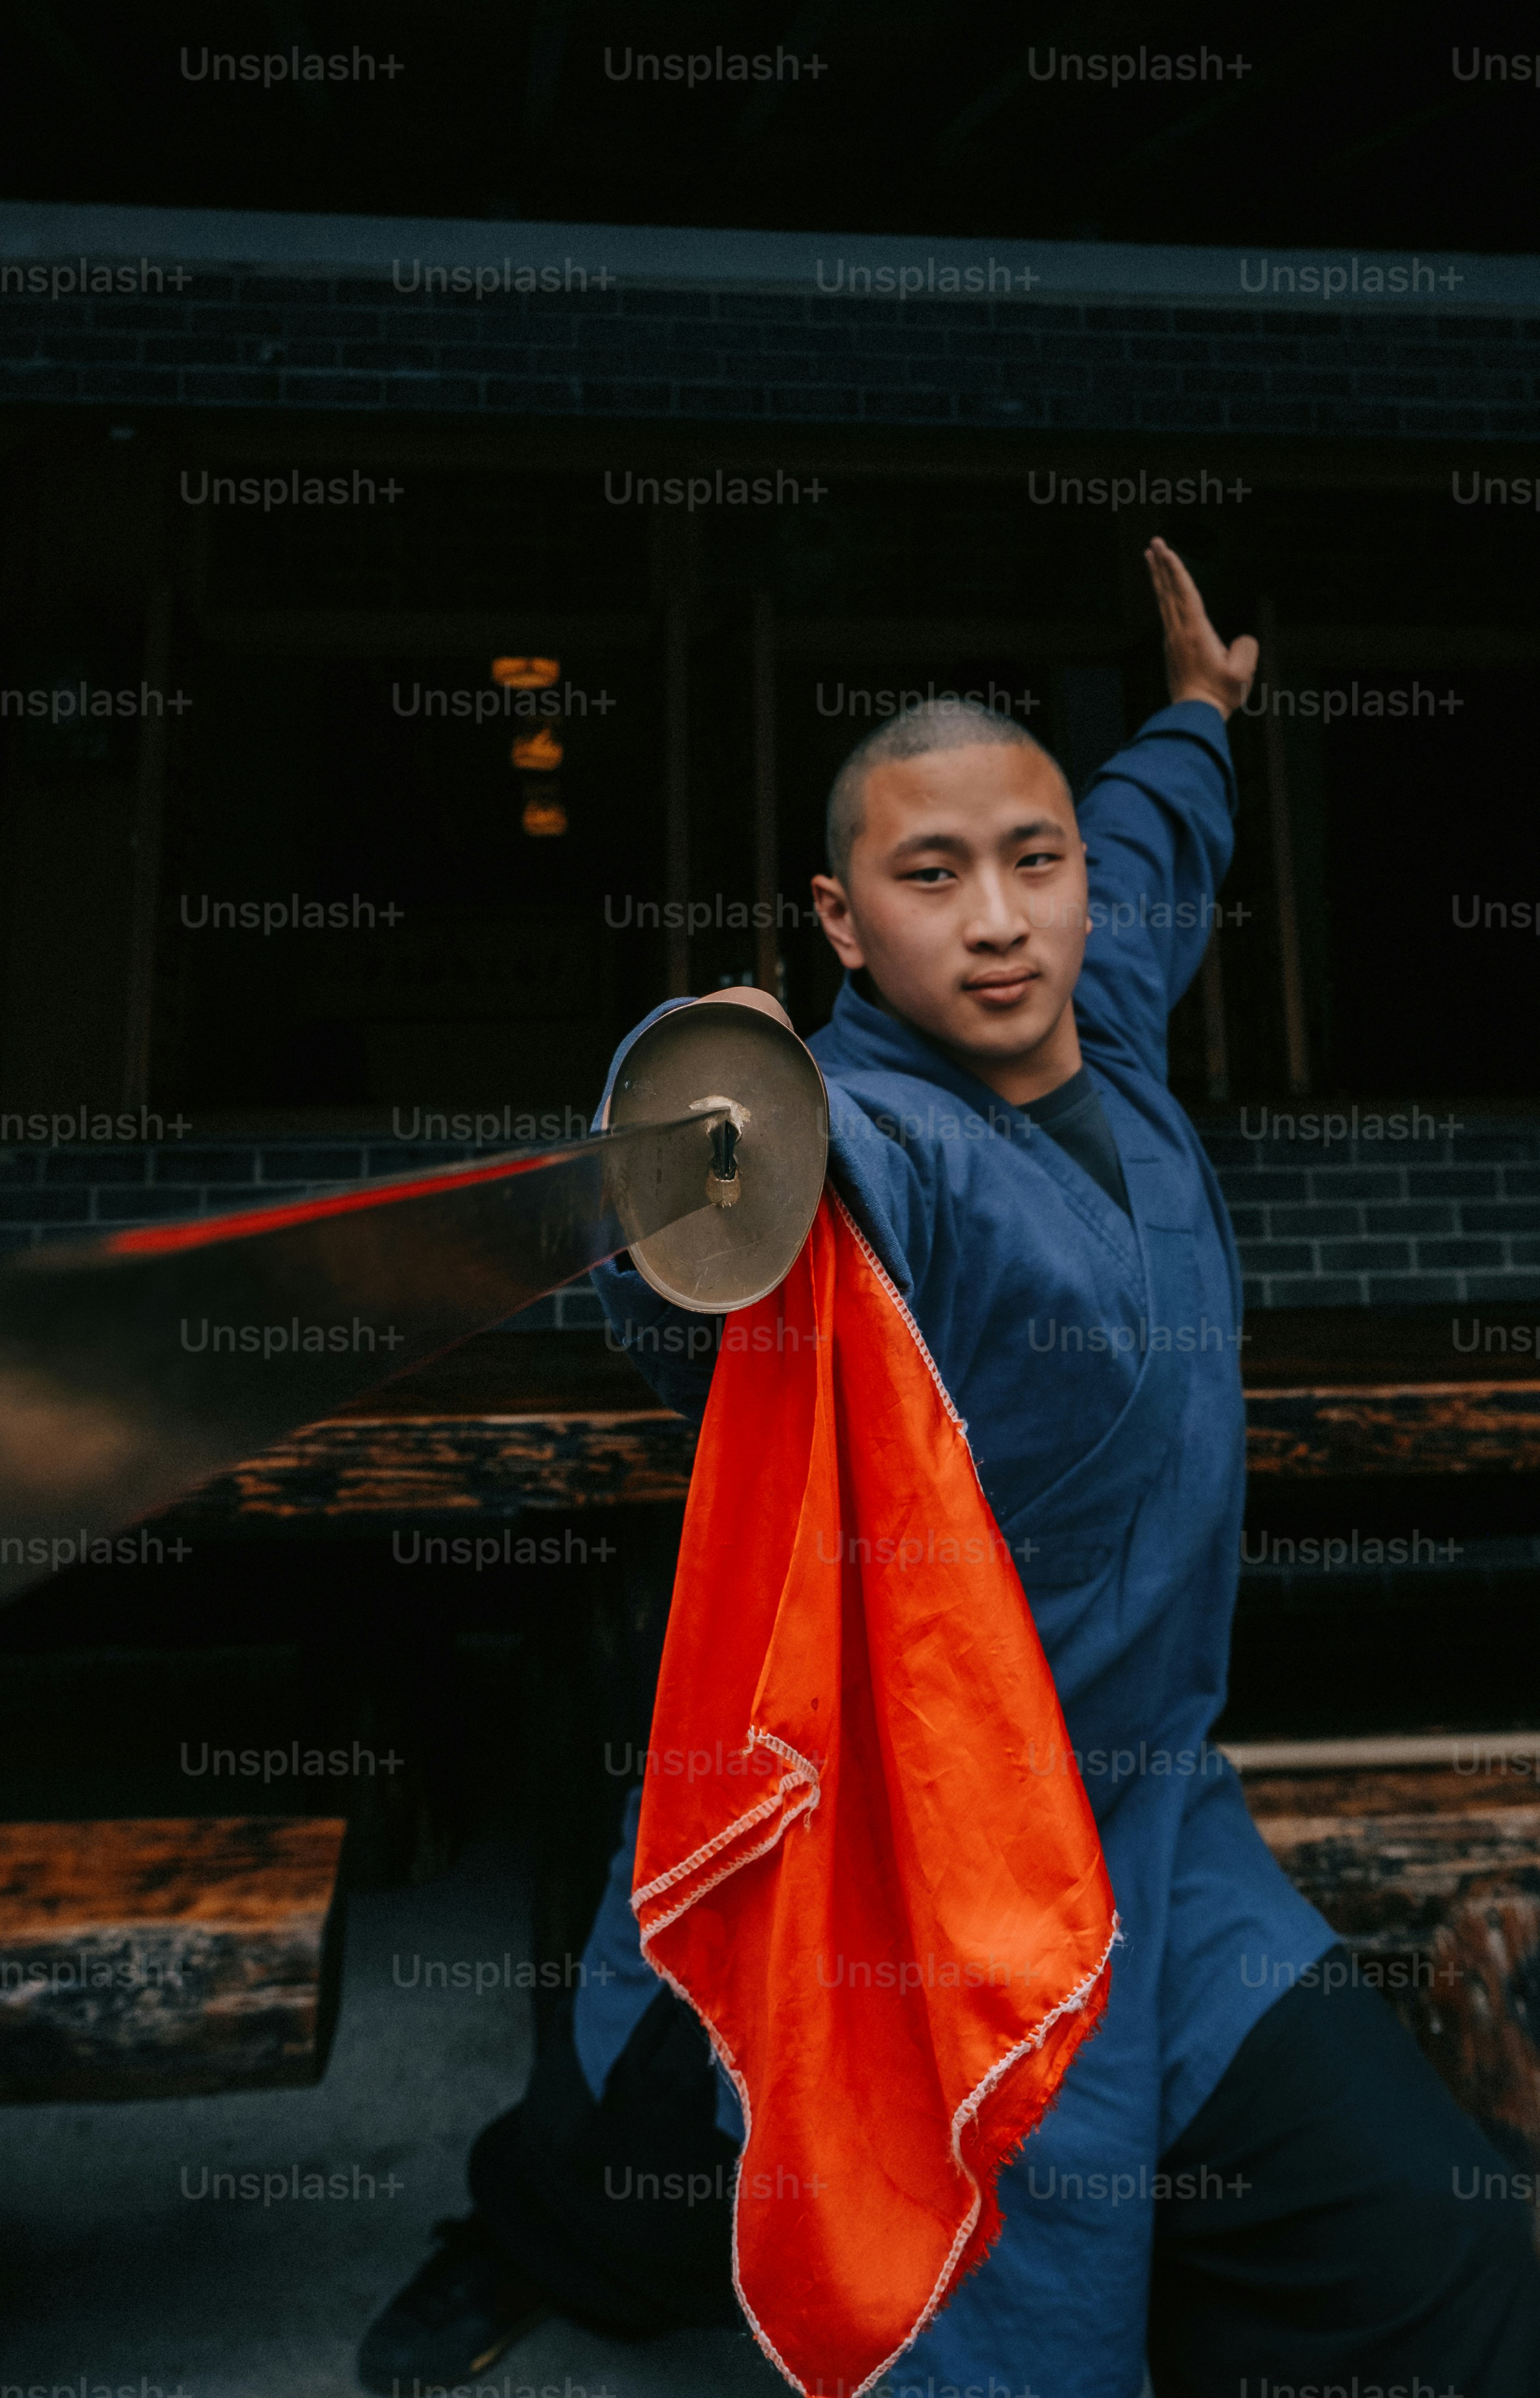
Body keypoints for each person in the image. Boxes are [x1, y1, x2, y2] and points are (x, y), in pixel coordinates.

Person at [360, 541, 1540, 2398]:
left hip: (1148, 1811)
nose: (997, 919)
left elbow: (1158, 830)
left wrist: (1202, 710)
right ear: (840, 924)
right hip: (890, 1847)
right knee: (673, 2131)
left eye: (1032, 863)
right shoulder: (880, 1143)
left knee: (1443, 2234)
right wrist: (709, 1130)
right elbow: (744, 1212)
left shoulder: (1113, 1014)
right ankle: (521, 2235)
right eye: (932, 877)